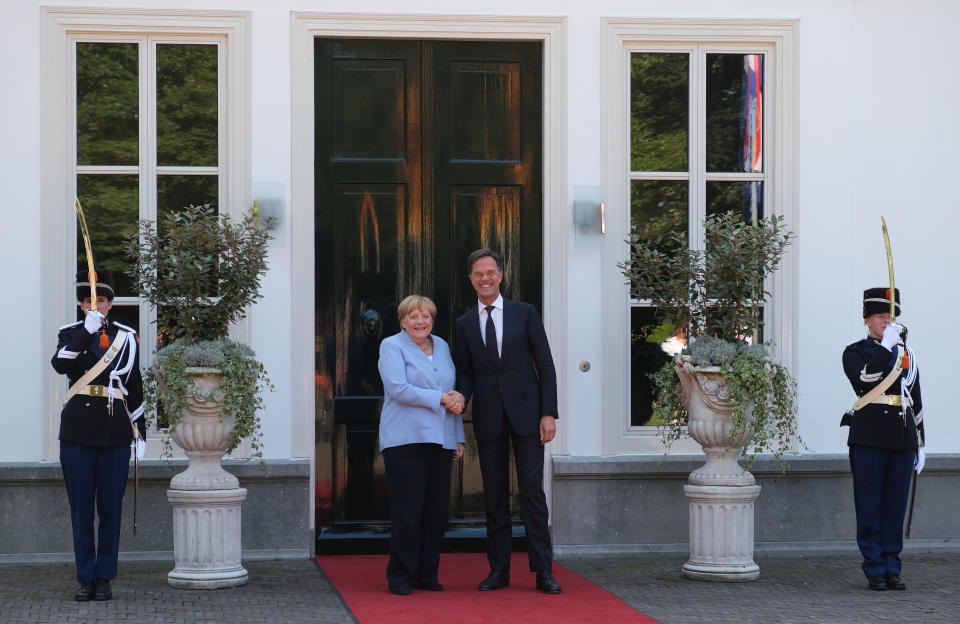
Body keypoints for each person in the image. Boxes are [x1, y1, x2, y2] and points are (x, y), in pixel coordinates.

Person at [454, 248, 562, 594]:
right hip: (488, 419)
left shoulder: (524, 313)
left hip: (529, 416)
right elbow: (466, 374)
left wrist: (548, 413)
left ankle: (543, 570)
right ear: (471, 280)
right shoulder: (464, 323)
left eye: (490, 272)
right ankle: (499, 570)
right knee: (495, 496)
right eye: (477, 274)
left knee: (532, 493)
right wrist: (457, 403)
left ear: (500, 275)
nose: (484, 278)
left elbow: (545, 365)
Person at [51, 269, 145, 601]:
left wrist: (141, 434)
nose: (96, 306)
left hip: (115, 431)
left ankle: (105, 576)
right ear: (81, 304)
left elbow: (134, 386)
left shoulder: (126, 337)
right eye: (90, 300)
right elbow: (60, 365)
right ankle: (84, 577)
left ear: (110, 303)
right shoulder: (70, 334)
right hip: (77, 431)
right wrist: (84, 334)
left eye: (101, 301)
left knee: (110, 509)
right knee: (80, 510)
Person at [378, 295, 466, 595]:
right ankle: (401, 577)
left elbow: (452, 391)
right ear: (403, 321)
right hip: (405, 439)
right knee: (408, 512)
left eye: (426, 316)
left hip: (440, 438)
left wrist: (457, 435)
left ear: (432, 319)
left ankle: (427, 575)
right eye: (413, 316)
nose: (420, 321)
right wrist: (442, 398)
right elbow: (399, 389)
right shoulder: (391, 346)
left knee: (435, 511)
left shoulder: (441, 345)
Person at [842, 287, 924, 591]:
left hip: (902, 437)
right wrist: (884, 349)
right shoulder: (856, 352)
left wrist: (920, 442)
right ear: (867, 320)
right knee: (870, 505)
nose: (886, 322)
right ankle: (874, 566)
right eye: (880, 316)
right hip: (869, 437)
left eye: (889, 316)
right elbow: (863, 382)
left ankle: (892, 566)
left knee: (894, 507)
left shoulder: (908, 354)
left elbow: (915, 397)